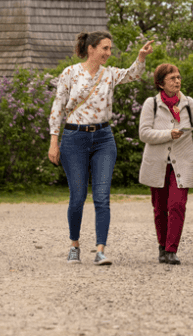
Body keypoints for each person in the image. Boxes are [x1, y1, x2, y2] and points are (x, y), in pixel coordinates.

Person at [48, 31, 154, 266]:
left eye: (110, 49)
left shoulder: (110, 74)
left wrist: (141, 57)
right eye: (105, 48)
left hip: (104, 139)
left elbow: (132, 74)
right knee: (77, 197)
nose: (108, 53)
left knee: (102, 197)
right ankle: (74, 245)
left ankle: (100, 250)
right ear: (91, 49)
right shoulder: (70, 73)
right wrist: (54, 140)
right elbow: (58, 107)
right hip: (74, 138)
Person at [138, 63, 193, 265]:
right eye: (172, 78)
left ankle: (172, 250)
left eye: (179, 77)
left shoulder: (188, 103)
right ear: (161, 83)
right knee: (159, 208)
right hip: (158, 163)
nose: (177, 81)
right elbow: (144, 133)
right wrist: (167, 134)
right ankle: (162, 247)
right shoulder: (151, 104)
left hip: (182, 162)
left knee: (177, 205)